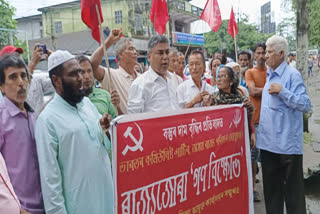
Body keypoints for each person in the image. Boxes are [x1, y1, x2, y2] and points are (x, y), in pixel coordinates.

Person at [35, 50, 114, 214]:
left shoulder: (87, 104)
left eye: (81, 71)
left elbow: (105, 144)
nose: (81, 78)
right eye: (73, 74)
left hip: (106, 198)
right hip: (79, 205)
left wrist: (106, 129)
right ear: (56, 81)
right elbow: (50, 180)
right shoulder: (47, 120)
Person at [258, 35, 311, 214]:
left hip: (287, 148)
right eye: (265, 51)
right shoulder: (269, 75)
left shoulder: (292, 75)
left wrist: (283, 92)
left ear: (281, 54)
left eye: (269, 52)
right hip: (268, 146)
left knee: (293, 197)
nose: (265, 55)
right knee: (272, 196)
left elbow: (305, 104)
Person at [0, 53, 45, 214]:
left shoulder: (32, 115)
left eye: (23, 76)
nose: (20, 82)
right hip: (19, 208)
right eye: (13, 77)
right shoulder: (2, 118)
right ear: (2, 86)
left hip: (45, 204)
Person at [203, 65, 255, 147]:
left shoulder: (241, 100)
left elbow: (247, 120)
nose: (219, 79)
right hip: (219, 141)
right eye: (218, 77)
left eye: (223, 76)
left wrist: (250, 108)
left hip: (236, 140)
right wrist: (207, 107)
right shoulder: (212, 98)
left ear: (231, 81)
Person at [91, 29, 139, 114]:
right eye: (131, 49)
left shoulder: (141, 77)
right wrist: (109, 41)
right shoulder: (112, 75)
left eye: (135, 50)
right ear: (121, 54)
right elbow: (92, 65)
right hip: (127, 126)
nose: (135, 52)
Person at [127, 35, 179, 113]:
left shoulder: (174, 79)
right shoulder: (139, 85)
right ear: (149, 57)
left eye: (167, 52)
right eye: (160, 53)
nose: (165, 57)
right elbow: (133, 120)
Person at [245, 41, 268, 202]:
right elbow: (253, 91)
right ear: (254, 54)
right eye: (258, 53)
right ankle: (253, 188)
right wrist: (272, 89)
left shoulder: (272, 71)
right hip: (256, 120)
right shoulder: (250, 72)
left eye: (263, 53)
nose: (260, 56)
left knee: (268, 156)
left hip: (270, 120)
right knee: (253, 157)